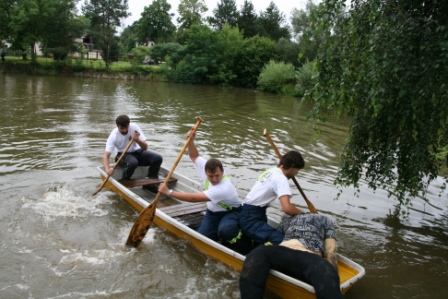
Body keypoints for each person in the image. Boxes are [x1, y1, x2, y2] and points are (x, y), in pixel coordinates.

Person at [158, 129, 245, 246]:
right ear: (206, 172)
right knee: (200, 239)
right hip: (212, 213)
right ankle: (212, 231)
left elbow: (194, 198)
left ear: (222, 172)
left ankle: (239, 239)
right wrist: (191, 141)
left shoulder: (224, 188)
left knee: (225, 230)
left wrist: (169, 192)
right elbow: (194, 156)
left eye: (217, 176)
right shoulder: (206, 166)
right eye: (210, 176)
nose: (214, 179)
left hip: (231, 212)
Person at [239, 213, 342, 299]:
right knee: (324, 270)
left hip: (288, 253)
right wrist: (333, 276)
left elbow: (274, 237)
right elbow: (331, 252)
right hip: (306, 257)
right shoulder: (325, 220)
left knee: (256, 254)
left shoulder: (288, 218)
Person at [239, 150, 306, 246]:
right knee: (284, 242)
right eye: (297, 170)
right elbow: (286, 208)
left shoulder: (271, 171)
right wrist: (302, 213)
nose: (296, 173)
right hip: (251, 219)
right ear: (292, 167)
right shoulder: (281, 179)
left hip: (250, 212)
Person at [102, 115, 163, 191]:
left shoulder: (134, 128)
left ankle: (149, 184)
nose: (124, 130)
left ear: (129, 124)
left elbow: (145, 148)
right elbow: (106, 156)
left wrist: (137, 140)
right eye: (122, 128)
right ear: (118, 126)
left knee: (157, 158)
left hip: (138, 152)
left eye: (126, 128)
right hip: (122, 155)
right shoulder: (114, 136)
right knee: (133, 163)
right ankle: (124, 182)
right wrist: (108, 170)